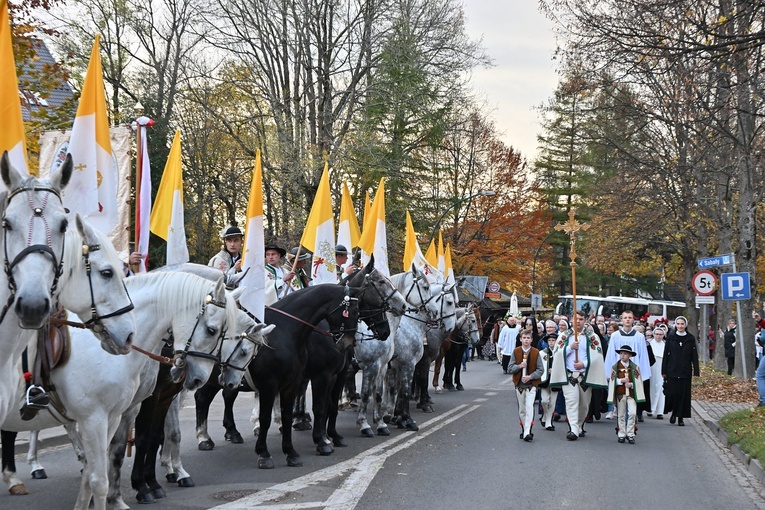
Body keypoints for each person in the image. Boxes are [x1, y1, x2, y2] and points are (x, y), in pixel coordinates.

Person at [550, 310, 607, 441]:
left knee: (583, 405)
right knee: (572, 402)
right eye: (576, 319)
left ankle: (580, 425)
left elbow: (597, 357)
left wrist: (584, 364)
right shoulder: (564, 336)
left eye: (581, 319)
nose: (578, 321)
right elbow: (557, 354)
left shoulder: (592, 337)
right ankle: (573, 429)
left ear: (585, 320)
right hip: (569, 376)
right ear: (571, 320)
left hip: (585, 376)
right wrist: (570, 347)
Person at [604, 310, 652, 422]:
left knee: (632, 403)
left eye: (629, 317)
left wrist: (643, 376)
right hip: (619, 373)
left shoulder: (639, 337)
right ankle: (621, 428)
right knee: (621, 403)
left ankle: (631, 426)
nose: (627, 319)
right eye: (625, 317)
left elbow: (643, 356)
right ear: (621, 320)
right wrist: (609, 373)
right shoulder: (615, 336)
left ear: (633, 320)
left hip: (633, 373)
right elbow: (611, 355)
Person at [507, 329, 544, 441]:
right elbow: (510, 368)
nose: (526, 340)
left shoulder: (536, 352)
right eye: (524, 338)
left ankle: (528, 431)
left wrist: (530, 376)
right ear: (520, 339)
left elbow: (540, 370)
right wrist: (519, 366)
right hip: (519, 385)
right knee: (522, 409)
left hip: (531, 385)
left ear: (531, 340)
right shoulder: (516, 352)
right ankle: (524, 428)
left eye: (528, 338)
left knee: (529, 407)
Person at [662, 316, 699, 426]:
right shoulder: (671, 337)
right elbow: (666, 355)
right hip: (672, 370)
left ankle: (681, 417)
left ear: (685, 325)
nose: (680, 326)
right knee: (673, 393)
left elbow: (694, 355)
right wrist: (663, 371)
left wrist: (696, 371)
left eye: (682, 324)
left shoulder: (690, 338)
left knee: (683, 394)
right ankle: (673, 412)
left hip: (685, 371)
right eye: (678, 324)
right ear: (675, 325)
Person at [607, 345, 645, 444]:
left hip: (631, 394)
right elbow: (612, 381)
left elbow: (638, 381)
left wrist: (631, 384)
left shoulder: (634, 367)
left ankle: (630, 434)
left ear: (630, 355)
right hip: (620, 394)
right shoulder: (615, 367)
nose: (623, 356)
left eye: (625, 354)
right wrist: (620, 381)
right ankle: (621, 434)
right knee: (621, 414)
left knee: (632, 413)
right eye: (621, 353)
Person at [649, 327, 667, 418]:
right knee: (651, 388)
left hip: (661, 369)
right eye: (656, 334)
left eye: (660, 334)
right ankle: (650, 409)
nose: (658, 336)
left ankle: (660, 411)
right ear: (653, 334)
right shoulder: (650, 344)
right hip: (651, 368)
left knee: (660, 389)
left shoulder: (666, 345)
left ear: (663, 335)